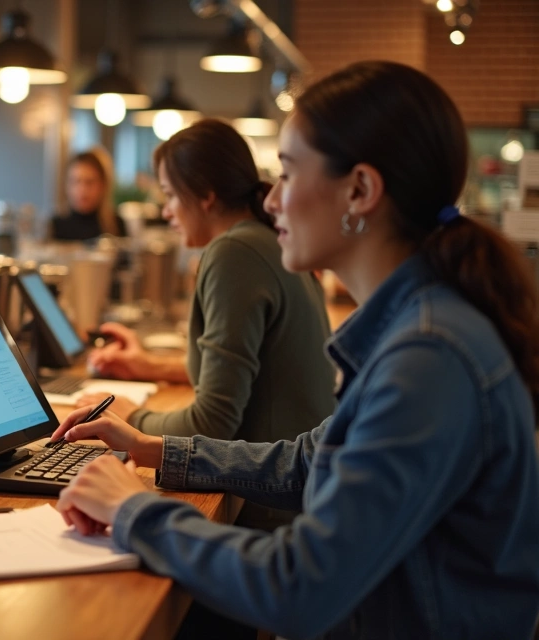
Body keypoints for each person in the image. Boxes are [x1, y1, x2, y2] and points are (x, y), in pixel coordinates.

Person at [54, 61, 539, 638]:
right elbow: (310, 459)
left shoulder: (429, 358)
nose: (272, 201)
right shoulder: (417, 326)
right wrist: (153, 448)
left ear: (359, 191)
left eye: (287, 173)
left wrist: (132, 509)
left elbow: (299, 586)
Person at [79, 119, 336, 534]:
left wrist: (133, 417)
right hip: (298, 493)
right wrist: (148, 366)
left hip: (271, 509)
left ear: (205, 196)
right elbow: (250, 371)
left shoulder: (234, 250)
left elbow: (212, 423)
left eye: (169, 194)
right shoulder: (264, 239)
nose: (166, 210)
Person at [49, 147, 125, 241]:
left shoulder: (116, 225)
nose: (82, 189)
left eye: (89, 182)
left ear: (103, 185)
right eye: (75, 181)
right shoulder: (55, 226)